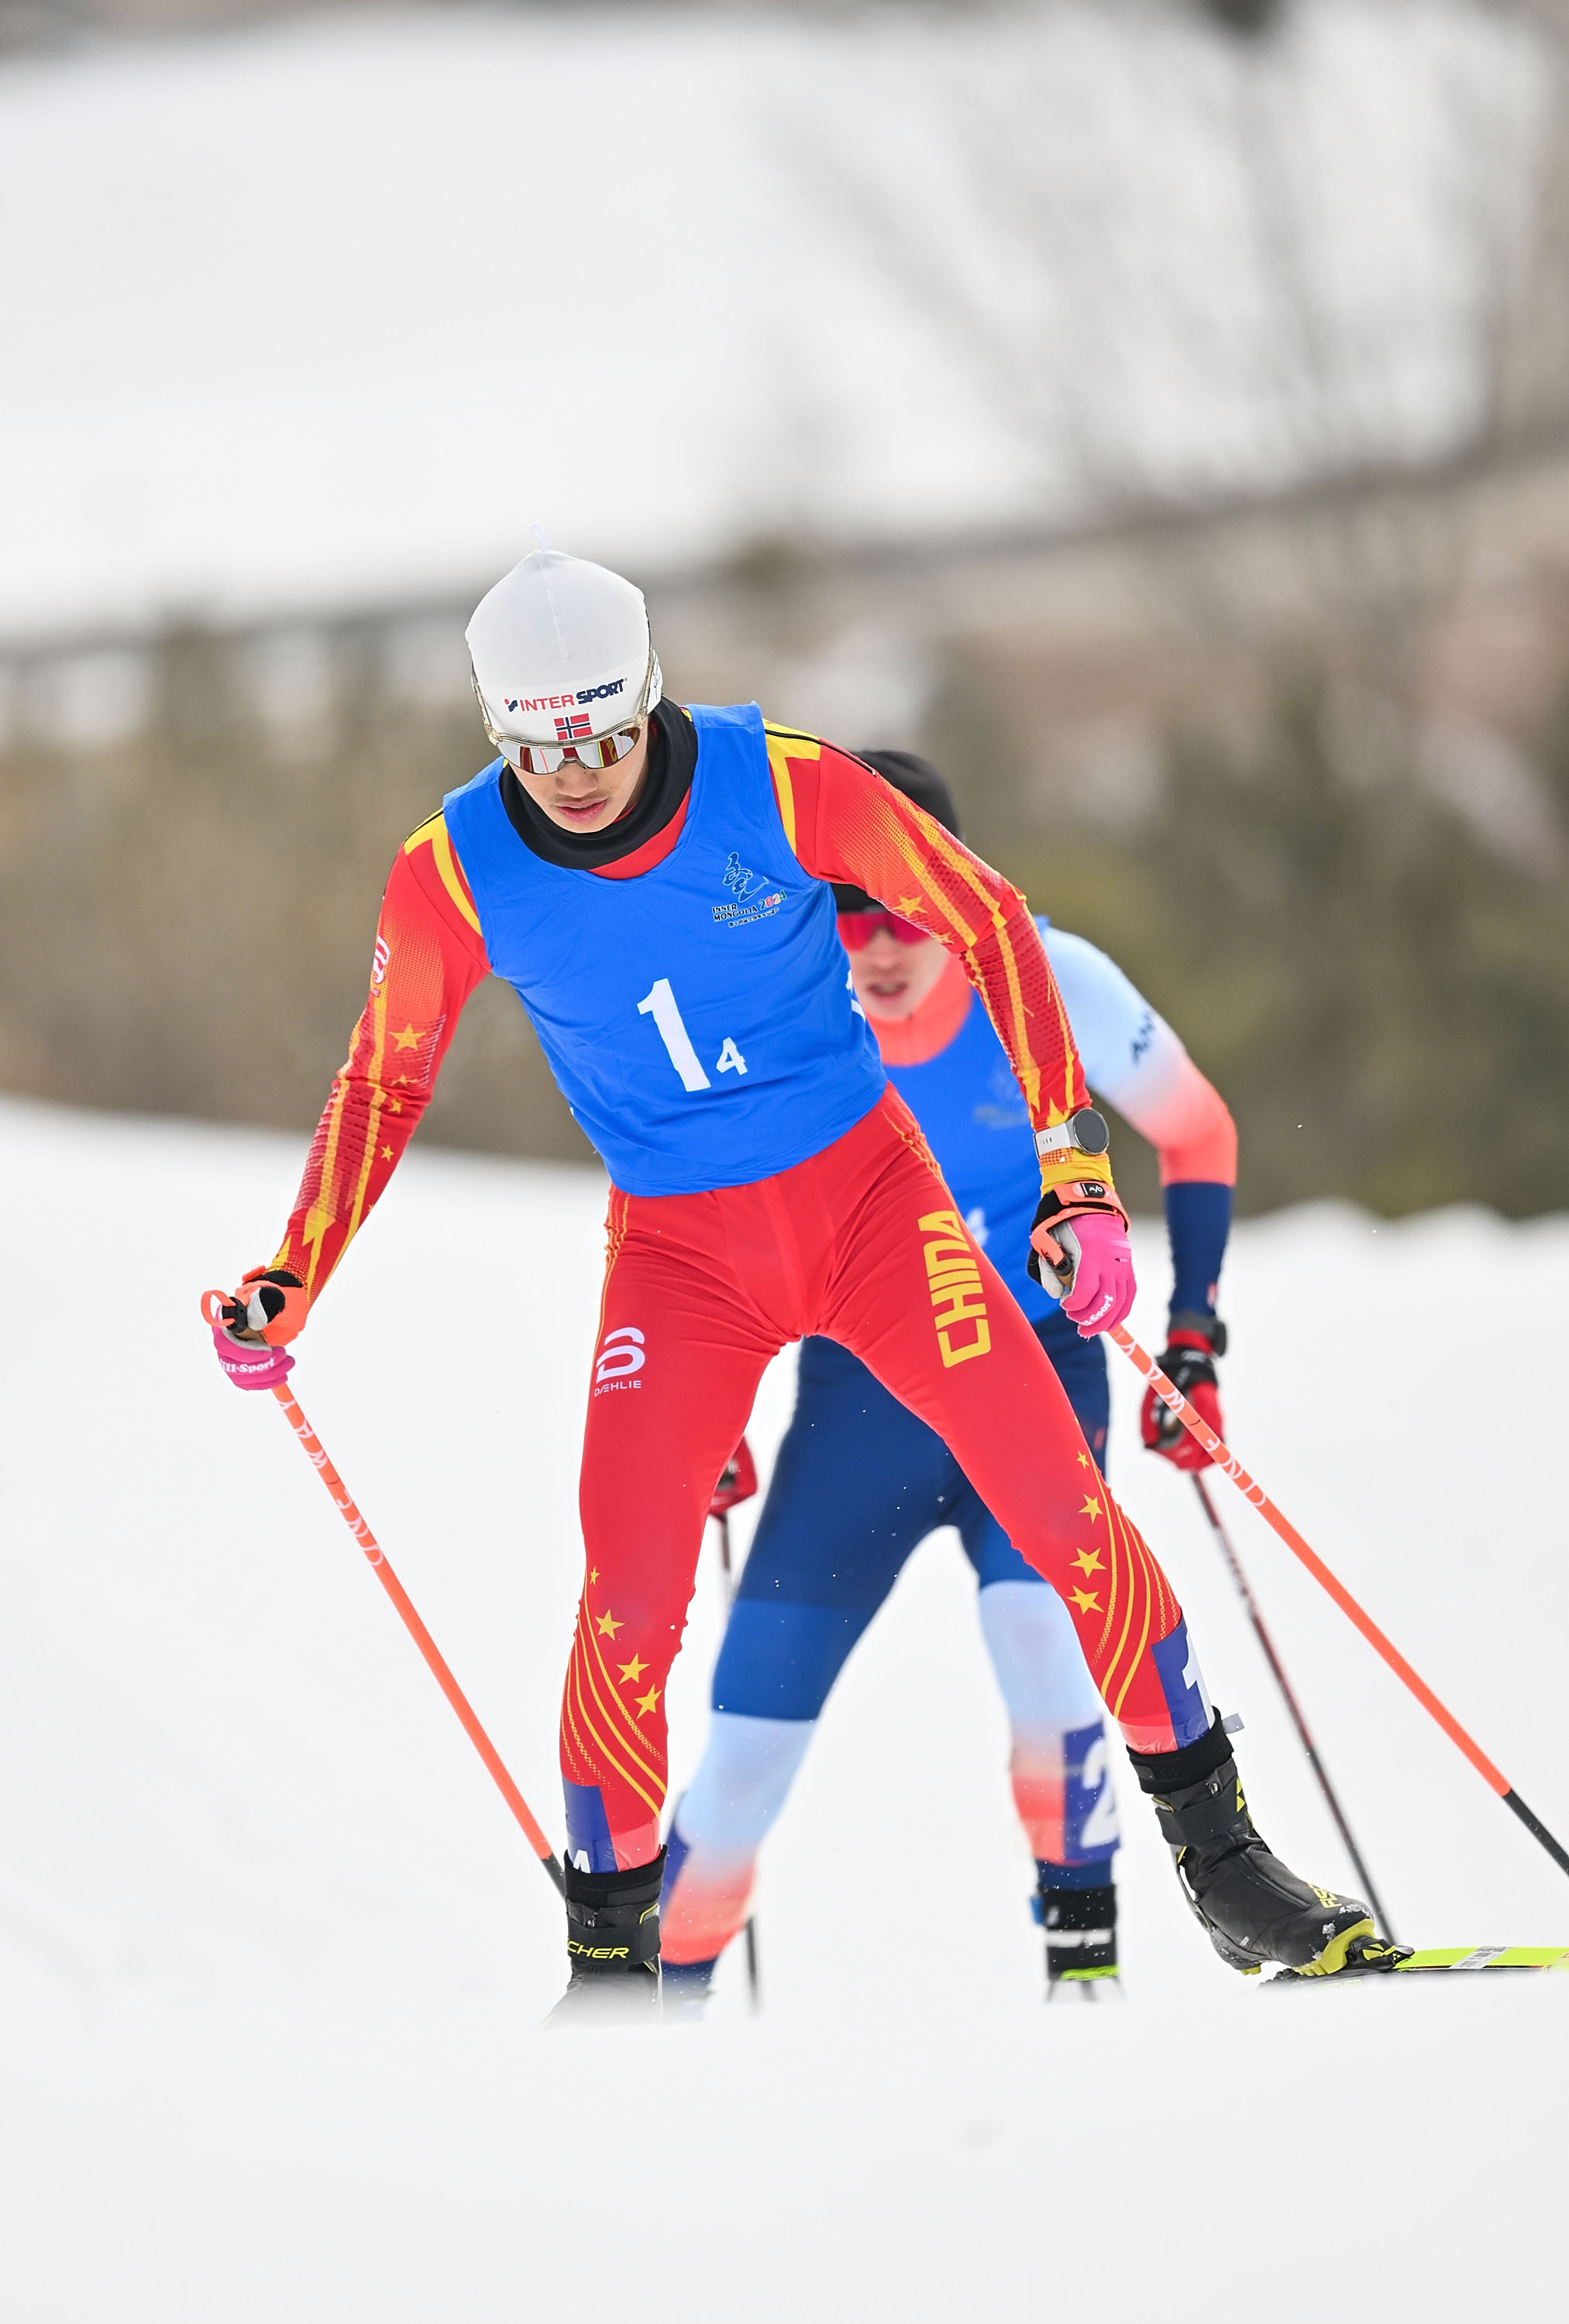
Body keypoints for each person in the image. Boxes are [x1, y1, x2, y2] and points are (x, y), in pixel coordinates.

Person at [208, 548, 1371, 2016]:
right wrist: (290, 1278)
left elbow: (992, 925)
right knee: (624, 1596)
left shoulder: (790, 783)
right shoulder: (450, 874)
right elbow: (384, 1076)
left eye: (606, 735)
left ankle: (1225, 1867)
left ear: (646, 701)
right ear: (500, 732)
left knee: (1062, 1513)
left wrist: (1073, 1169)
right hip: (680, 1259)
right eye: (541, 745)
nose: (577, 771)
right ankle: (613, 1976)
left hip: (875, 1204)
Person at [660, 751, 1235, 2005]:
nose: (872, 944)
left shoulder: (1052, 981)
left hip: (1033, 1373)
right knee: (744, 1755)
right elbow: (710, 1232)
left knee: (1046, 1651)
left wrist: (1193, 1330)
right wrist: (704, 1412)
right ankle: (647, 2019)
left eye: (899, 905)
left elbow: (1195, 1129)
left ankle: (1082, 1978)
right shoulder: (780, 1022)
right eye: (841, 909)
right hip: (857, 1413)